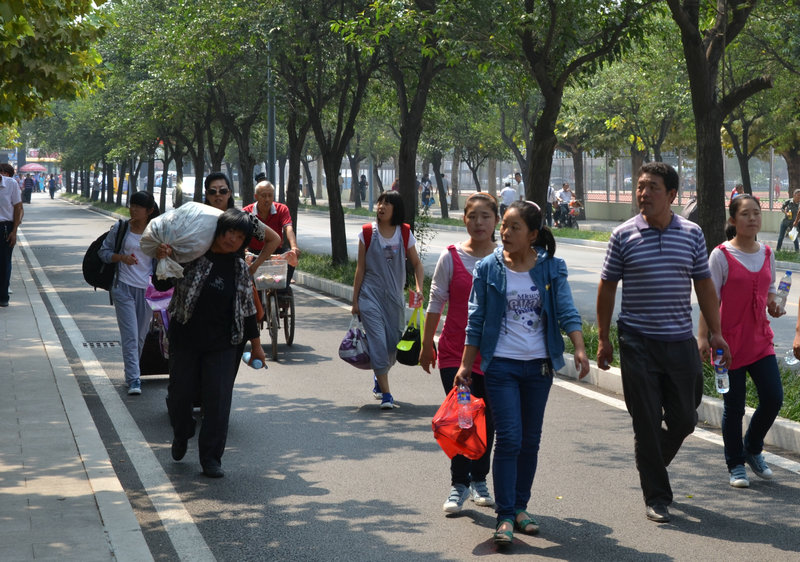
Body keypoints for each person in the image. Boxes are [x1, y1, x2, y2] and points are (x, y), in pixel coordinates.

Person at [596, 162, 731, 524]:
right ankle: (656, 495)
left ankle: (652, 462)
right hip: (637, 340)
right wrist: (604, 338)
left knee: (685, 418)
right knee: (646, 421)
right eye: (640, 187)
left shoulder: (691, 234)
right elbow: (607, 287)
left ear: (671, 194)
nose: (644, 194)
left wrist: (715, 332)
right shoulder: (623, 235)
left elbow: (704, 284)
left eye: (653, 187)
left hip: (679, 340)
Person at [455, 200, 590, 546]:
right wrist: (466, 364)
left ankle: (519, 508)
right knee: (510, 438)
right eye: (504, 225)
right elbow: (476, 319)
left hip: (539, 367)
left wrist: (578, 347)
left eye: (514, 227)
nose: (505, 232)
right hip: (501, 366)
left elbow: (566, 310)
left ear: (532, 234)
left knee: (530, 440)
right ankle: (503, 516)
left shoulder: (551, 268)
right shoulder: (488, 268)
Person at [157, 209, 267, 478]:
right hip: (185, 339)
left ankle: (211, 458)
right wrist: (162, 259)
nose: (232, 239)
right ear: (218, 231)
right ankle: (182, 432)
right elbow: (161, 284)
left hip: (223, 344)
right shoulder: (192, 255)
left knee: (217, 402)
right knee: (180, 396)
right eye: (229, 232)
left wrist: (256, 345)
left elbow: (247, 309)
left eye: (239, 236)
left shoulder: (239, 268)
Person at [419, 193, 500, 514]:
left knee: (489, 420)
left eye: (485, 216)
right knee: (463, 418)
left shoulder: (506, 258)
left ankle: (479, 479)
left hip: (494, 357)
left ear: (496, 220)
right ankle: (459, 484)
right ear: (464, 219)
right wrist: (427, 343)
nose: (478, 223)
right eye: (472, 216)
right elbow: (435, 302)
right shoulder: (450, 257)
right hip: (455, 355)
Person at [698, 194, 783, 488]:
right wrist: (703, 336)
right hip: (727, 344)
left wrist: (774, 305)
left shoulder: (768, 253)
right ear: (733, 220)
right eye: (745, 214)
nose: (752, 218)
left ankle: (752, 448)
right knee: (734, 407)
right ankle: (735, 464)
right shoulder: (721, 255)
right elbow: (709, 300)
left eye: (756, 213)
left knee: (773, 398)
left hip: (761, 341)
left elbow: (770, 291)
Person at [351, 191, 424, 409]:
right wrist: (355, 301)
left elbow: (417, 264)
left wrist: (419, 289)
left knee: (393, 345)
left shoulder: (404, 233)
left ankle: (379, 375)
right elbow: (360, 268)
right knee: (378, 343)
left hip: (394, 298)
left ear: (396, 209)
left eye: (387, 203)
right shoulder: (366, 233)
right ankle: (387, 395)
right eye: (380, 202)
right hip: (370, 296)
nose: (381, 206)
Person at [98, 191, 160, 395]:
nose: (133, 209)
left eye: (138, 207)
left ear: (149, 211)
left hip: (147, 290)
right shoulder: (121, 228)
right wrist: (121, 258)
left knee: (140, 337)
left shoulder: (156, 232)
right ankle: (133, 379)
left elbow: (164, 260)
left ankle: (133, 372)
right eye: (131, 205)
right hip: (122, 287)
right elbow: (103, 252)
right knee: (131, 336)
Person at [203, 171, 281, 274]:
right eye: (213, 191)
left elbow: (274, 239)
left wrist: (253, 268)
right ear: (207, 194)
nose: (218, 194)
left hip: (235, 277)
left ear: (229, 193)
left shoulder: (243, 218)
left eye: (223, 191)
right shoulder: (199, 219)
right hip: (203, 277)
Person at [241, 180, 300, 282]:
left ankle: (285, 285)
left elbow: (288, 228)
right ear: (256, 196)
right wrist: (244, 249)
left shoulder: (282, 209)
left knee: (290, 256)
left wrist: (294, 247)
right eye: (263, 196)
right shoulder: (247, 212)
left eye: (270, 195)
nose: (267, 199)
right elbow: (242, 233)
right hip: (254, 252)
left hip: (275, 252)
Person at [0, 164, 23, 307]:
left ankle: (3, 296)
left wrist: (14, 231)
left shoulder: (11, 184)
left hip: (5, 228)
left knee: (4, 262)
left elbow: (18, 207)